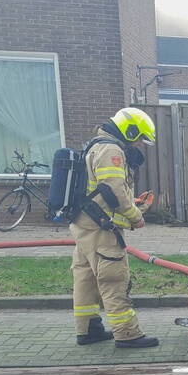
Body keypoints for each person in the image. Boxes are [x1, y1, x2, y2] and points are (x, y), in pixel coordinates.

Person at [71, 107, 159, 348]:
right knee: (113, 279)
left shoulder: (95, 145)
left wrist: (132, 202)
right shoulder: (111, 150)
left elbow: (100, 191)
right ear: (129, 132)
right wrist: (135, 215)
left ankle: (88, 329)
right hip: (101, 228)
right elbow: (113, 191)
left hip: (83, 224)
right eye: (139, 138)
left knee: (85, 278)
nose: (139, 144)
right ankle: (127, 334)